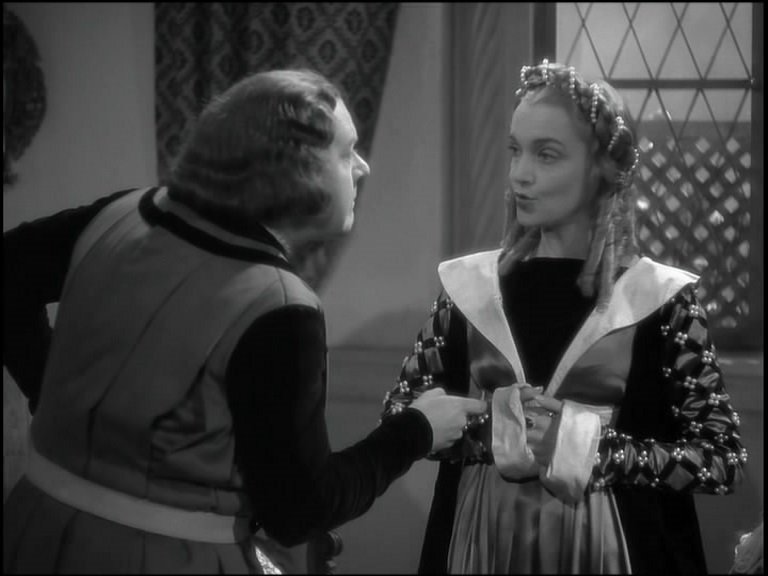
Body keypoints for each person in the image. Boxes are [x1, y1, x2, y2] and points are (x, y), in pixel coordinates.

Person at [2, 68, 487, 574]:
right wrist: (417, 430)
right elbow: (300, 508)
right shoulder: (279, 305)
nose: (363, 168)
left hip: (36, 529)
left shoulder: (120, 214)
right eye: (346, 153)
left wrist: (54, 391)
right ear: (294, 171)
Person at [382, 60, 748, 574]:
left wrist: (592, 449)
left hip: (617, 549)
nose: (520, 173)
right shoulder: (470, 288)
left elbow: (721, 459)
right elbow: (401, 413)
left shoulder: (662, 299)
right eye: (515, 150)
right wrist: (492, 432)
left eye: (546, 154)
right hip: (482, 543)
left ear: (602, 170)